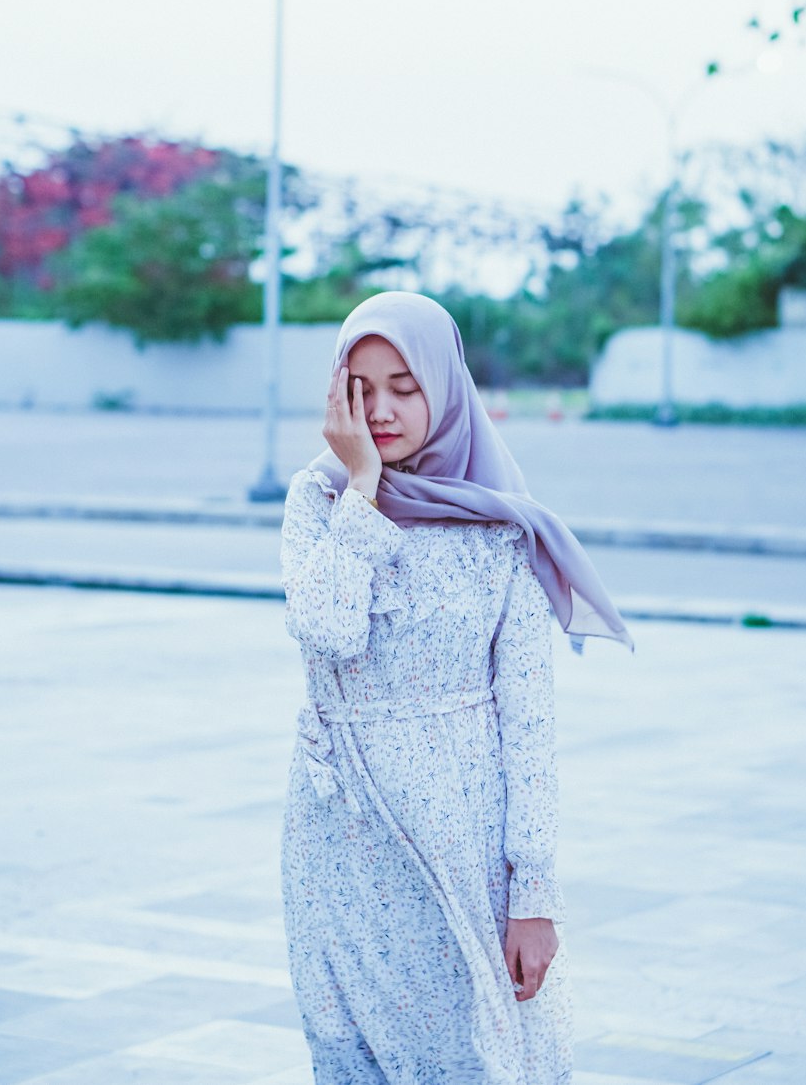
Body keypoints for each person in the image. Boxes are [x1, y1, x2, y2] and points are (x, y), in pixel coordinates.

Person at [280, 291, 632, 1084]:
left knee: (474, 1055)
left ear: (446, 383)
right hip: (340, 832)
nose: (381, 410)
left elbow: (529, 724)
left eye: (404, 385)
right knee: (351, 1052)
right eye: (360, 388)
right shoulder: (321, 499)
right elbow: (326, 631)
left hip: (461, 836)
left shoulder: (500, 525)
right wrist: (363, 487)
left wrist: (533, 896)